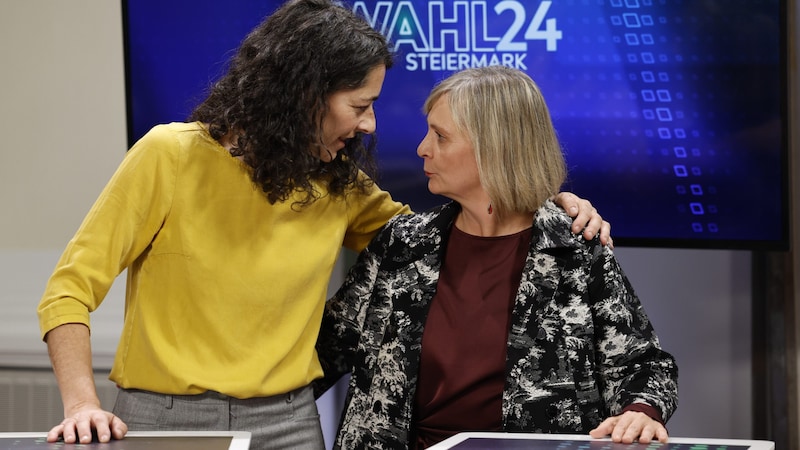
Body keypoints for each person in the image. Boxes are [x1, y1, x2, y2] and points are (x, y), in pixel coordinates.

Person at [36, 1, 610, 449]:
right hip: (165, 421)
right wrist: (82, 403)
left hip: (291, 422)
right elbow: (68, 291)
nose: (369, 124)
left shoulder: (339, 186)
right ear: (305, 94)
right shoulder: (169, 155)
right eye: (360, 105)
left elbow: (459, 230)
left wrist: (546, 200)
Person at [315, 65, 679, 450]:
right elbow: (320, 354)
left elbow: (644, 365)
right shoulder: (401, 245)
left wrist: (640, 410)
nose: (422, 148)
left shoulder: (575, 248)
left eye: (440, 136)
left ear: (494, 148)